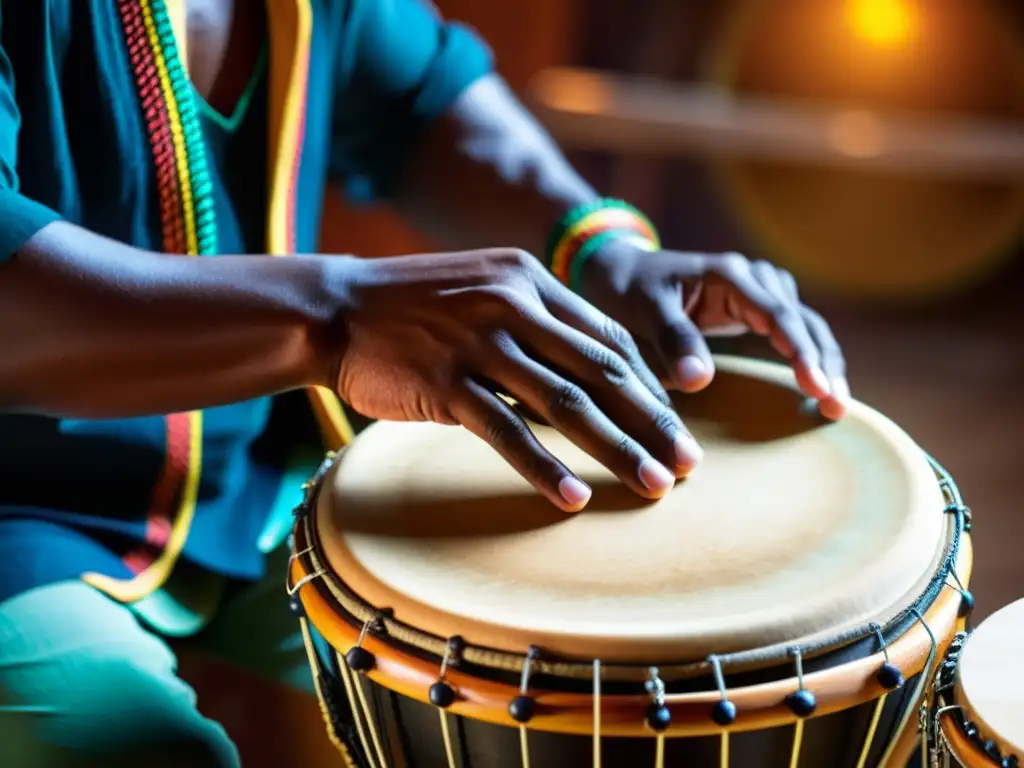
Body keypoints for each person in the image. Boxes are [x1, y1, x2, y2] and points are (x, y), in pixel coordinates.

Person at [0, 0, 848, 765]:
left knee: (547, 701)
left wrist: (598, 252)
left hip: (254, 480)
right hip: (19, 519)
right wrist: (340, 317)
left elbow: (419, 104)